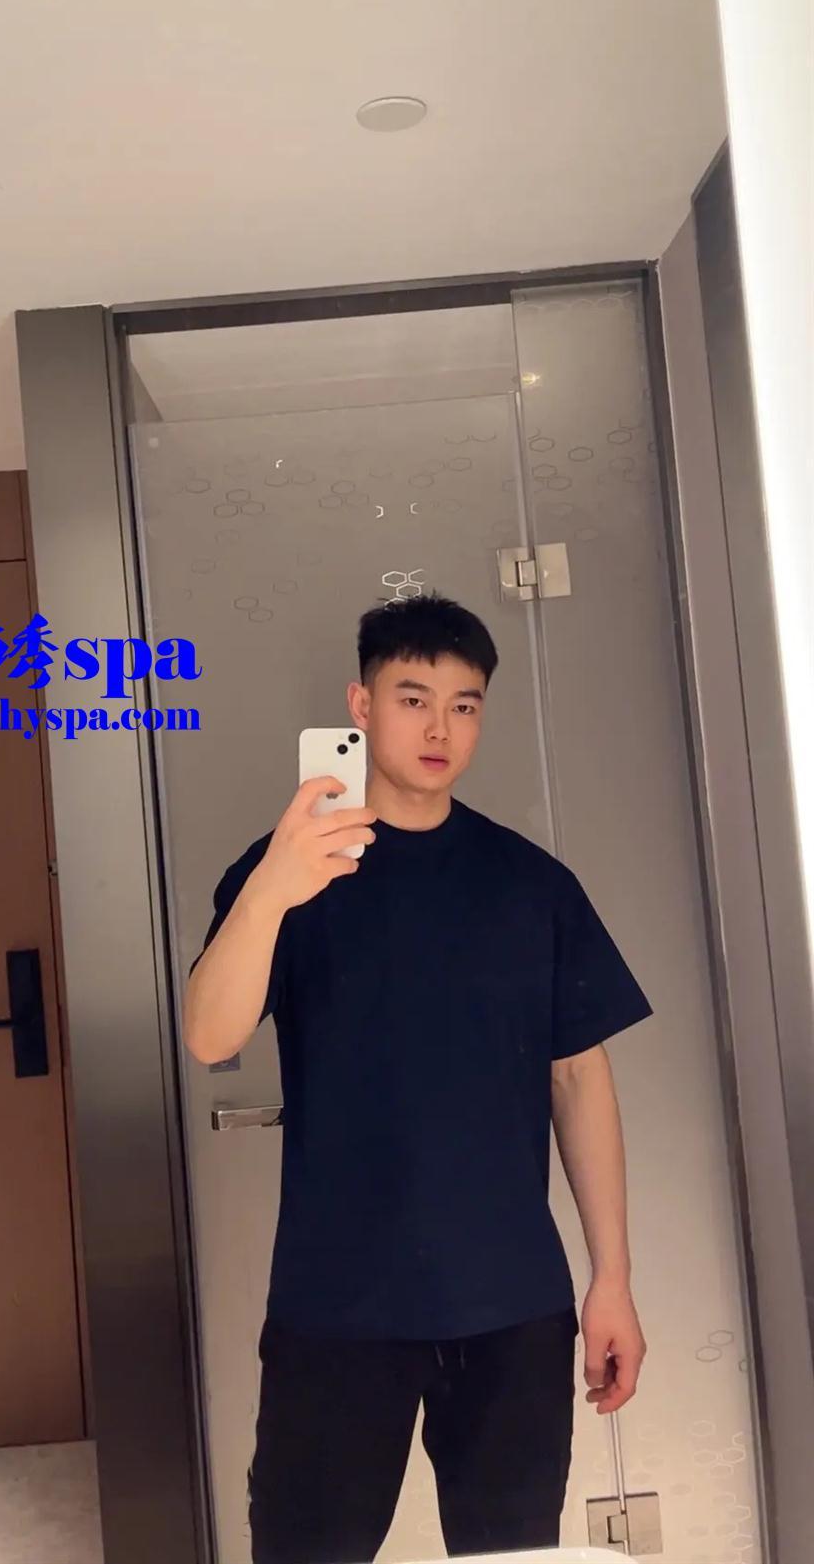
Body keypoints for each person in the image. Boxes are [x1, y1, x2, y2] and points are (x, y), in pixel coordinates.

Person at [184, 592, 653, 1564]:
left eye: (464, 704)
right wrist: (272, 889)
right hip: (337, 1306)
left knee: (511, 1554)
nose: (440, 728)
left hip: (512, 1305)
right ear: (361, 705)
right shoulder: (289, 873)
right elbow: (208, 1034)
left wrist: (611, 1277)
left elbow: (579, 1079)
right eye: (412, 698)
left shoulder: (530, 884)